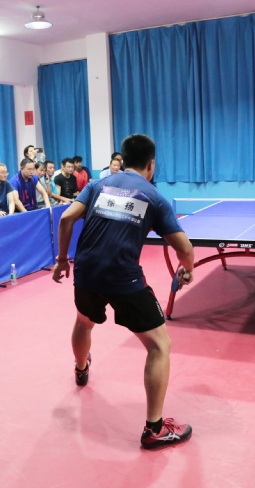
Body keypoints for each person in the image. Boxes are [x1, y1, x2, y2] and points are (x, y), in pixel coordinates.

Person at [52, 133, 195, 450]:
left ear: (123, 159)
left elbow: (66, 218)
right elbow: (184, 248)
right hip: (124, 278)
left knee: (84, 321)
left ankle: (81, 368)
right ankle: (154, 429)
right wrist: (188, 268)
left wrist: (62, 260)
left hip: (86, 271)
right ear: (151, 165)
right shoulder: (154, 197)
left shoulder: (97, 185)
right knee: (159, 346)